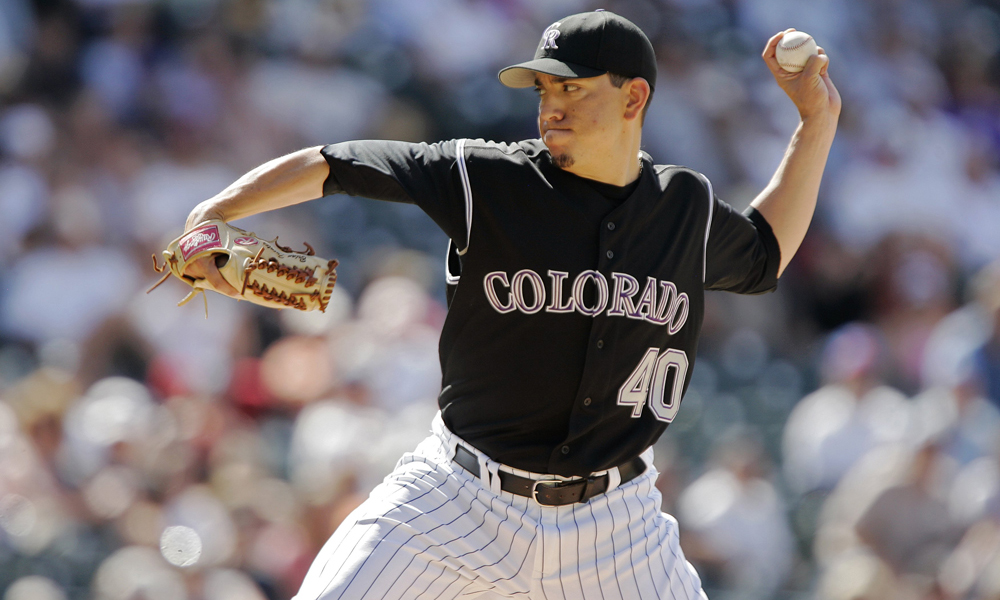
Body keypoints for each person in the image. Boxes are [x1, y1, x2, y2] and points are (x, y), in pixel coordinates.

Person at [180, 11, 840, 600]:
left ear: (634, 96)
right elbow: (338, 163)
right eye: (544, 89)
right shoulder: (489, 178)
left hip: (616, 526)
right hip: (457, 499)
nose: (549, 105)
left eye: (571, 87)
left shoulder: (683, 208)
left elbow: (763, 252)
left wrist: (816, 123)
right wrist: (219, 211)